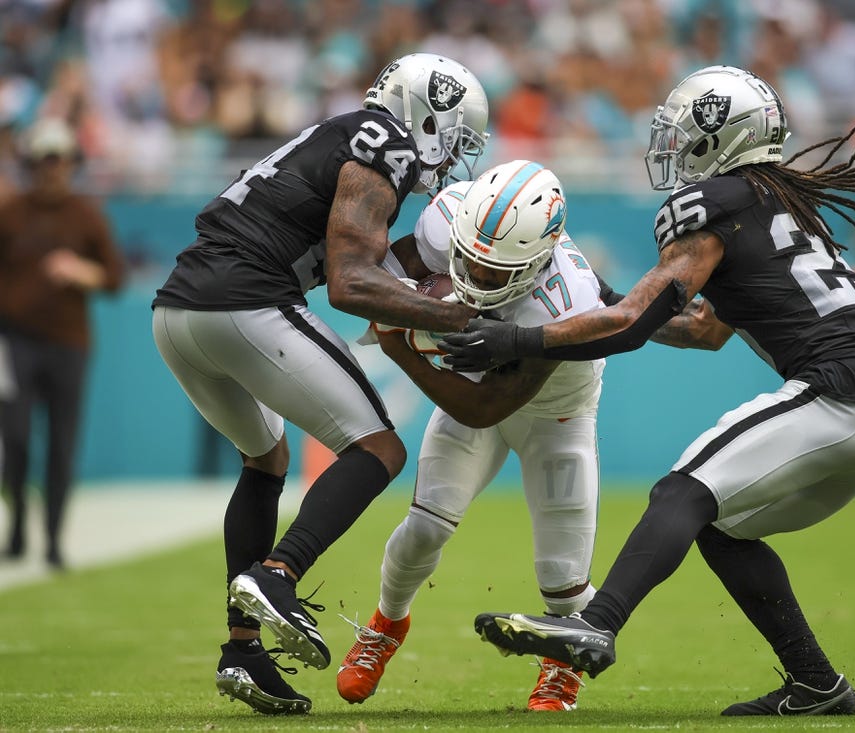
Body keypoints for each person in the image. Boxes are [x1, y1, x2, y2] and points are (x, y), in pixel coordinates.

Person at [443, 66, 855, 716]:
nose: (669, 144)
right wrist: (609, 301)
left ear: (716, 139)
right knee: (722, 523)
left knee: (681, 489)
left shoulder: (714, 205)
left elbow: (628, 329)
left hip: (840, 393)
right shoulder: (774, 204)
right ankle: (817, 683)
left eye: (681, 131)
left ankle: (596, 624)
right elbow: (703, 331)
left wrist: (520, 341)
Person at [150, 53, 489, 715]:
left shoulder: (343, 135)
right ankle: (279, 575)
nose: (452, 155)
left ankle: (243, 650)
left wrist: (410, 290)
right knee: (379, 447)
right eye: (455, 135)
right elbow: (350, 283)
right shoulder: (383, 141)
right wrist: (455, 317)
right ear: (426, 114)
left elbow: (362, 268)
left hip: (177, 312)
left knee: (266, 459)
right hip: (242, 299)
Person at [336, 159, 605, 712]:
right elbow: (377, 270)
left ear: (538, 261)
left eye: (495, 273)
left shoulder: (567, 299)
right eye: (470, 262)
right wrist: (400, 297)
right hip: (474, 388)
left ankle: (561, 668)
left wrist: (399, 346)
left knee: (563, 577)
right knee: (423, 531)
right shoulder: (447, 218)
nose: (477, 279)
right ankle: (387, 624)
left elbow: (486, 408)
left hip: (554, 417)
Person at [0, 117, 127, 569]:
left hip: (69, 343)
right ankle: (16, 525)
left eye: (60, 160)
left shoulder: (85, 214)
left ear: (72, 164)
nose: (51, 169)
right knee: (14, 437)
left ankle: (53, 538)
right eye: (43, 160)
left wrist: (80, 270)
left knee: (61, 441)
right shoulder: (11, 211)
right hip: (15, 340)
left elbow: (115, 277)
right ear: (31, 164)